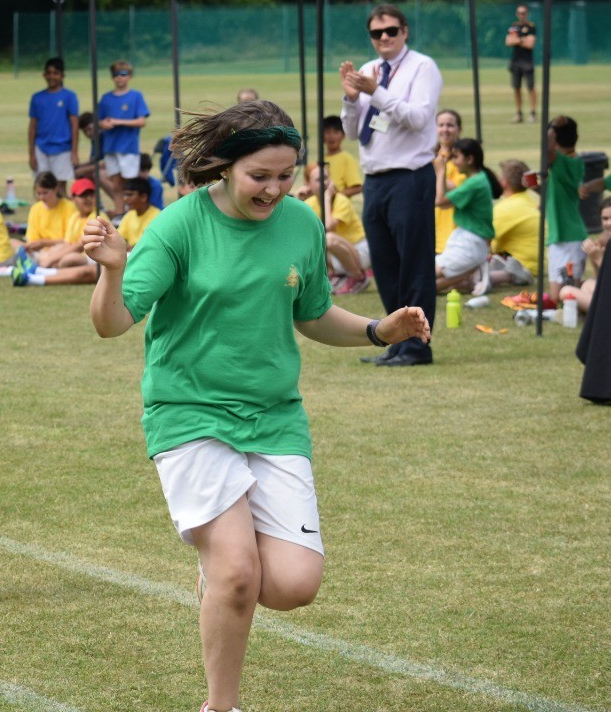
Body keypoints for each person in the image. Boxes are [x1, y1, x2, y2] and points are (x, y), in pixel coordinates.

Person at [82, 100, 430, 712]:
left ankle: (216, 572)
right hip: (188, 412)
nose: (274, 189)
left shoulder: (301, 223)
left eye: (286, 174)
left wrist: (380, 330)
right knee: (239, 574)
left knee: (295, 584)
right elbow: (112, 323)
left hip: (274, 415)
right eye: (259, 176)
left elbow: (313, 314)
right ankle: (221, 704)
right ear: (225, 167)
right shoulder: (178, 226)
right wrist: (112, 271)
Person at [340, 3, 442, 367]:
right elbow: (353, 132)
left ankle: (417, 346)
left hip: (410, 177)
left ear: (405, 31)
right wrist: (351, 98)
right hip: (376, 179)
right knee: (385, 265)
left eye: (391, 31)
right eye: (376, 32)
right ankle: (397, 342)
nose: (384, 37)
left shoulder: (422, 67)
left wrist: (377, 91)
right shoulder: (368, 70)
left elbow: (418, 118)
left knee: (413, 264)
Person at [10, 179, 105, 287]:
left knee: (70, 259)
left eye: (91, 195)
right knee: (15, 243)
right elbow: (68, 243)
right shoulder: (75, 217)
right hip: (69, 252)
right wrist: (50, 254)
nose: (88, 199)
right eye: (83, 196)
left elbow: (80, 245)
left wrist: (50, 257)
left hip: (92, 257)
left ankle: (35, 273)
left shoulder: (96, 216)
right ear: (73, 198)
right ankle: (36, 270)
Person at [434, 138, 494, 293]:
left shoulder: (474, 183)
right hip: (472, 243)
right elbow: (452, 191)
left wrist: (440, 172)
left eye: (456, 157)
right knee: (429, 285)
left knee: (425, 274)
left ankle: (473, 273)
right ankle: (472, 274)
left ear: (469, 159)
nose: (453, 162)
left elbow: (440, 201)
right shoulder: (478, 179)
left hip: (469, 244)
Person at [558, 196, 611, 314]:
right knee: (587, 285)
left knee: (565, 291)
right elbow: (602, 280)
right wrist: (593, 258)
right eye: (605, 218)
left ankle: (602, 314)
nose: (610, 223)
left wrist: (599, 258)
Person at [98, 60, 150, 216]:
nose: (119, 77)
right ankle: (120, 214)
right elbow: (99, 120)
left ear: (129, 76)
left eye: (123, 74)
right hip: (111, 146)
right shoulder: (106, 98)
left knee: (130, 184)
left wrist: (119, 121)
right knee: (116, 184)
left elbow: (141, 121)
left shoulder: (135, 96)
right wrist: (103, 123)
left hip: (128, 147)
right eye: (116, 74)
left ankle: (133, 214)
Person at [544, 116, 588, 299]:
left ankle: (592, 289)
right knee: (557, 296)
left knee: (567, 295)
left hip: (570, 236)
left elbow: (546, 150)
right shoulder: (562, 163)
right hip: (559, 235)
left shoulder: (569, 162)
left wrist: (552, 127)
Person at [305, 180, 370, 295]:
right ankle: (339, 275)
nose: (324, 182)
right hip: (338, 257)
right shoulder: (309, 203)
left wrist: (326, 200)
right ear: (308, 184)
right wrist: (298, 198)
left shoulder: (341, 200)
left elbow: (328, 227)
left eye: (326, 177)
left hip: (359, 252)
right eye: (318, 180)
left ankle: (358, 277)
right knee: (313, 241)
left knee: (328, 238)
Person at [487, 159, 539, 289]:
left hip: (521, 266)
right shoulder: (534, 197)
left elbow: (484, 238)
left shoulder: (505, 208)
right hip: (538, 264)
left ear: (504, 182)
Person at [28, 57, 79, 184]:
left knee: (60, 186)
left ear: (62, 76)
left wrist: (74, 152)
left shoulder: (69, 96)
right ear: (44, 75)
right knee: (42, 184)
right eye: (49, 73)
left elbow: (74, 125)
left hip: (62, 148)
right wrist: (31, 154)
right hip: (41, 147)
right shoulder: (37, 98)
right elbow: (33, 127)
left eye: (56, 73)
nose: (52, 77)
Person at [302, 115, 362, 200]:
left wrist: (334, 197)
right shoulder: (320, 160)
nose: (331, 136)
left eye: (336, 132)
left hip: (339, 206)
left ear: (343, 135)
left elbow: (357, 187)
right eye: (327, 132)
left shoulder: (347, 159)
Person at [20, 171, 77, 257]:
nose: (41, 197)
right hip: (40, 252)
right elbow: (32, 239)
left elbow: (70, 241)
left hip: (63, 250)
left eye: (45, 193)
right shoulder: (35, 208)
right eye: (39, 193)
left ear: (56, 189)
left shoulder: (69, 207)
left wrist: (44, 243)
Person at [431, 109, 465, 255]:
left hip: (454, 228)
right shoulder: (428, 155)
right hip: (430, 227)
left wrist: (438, 172)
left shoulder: (464, 159)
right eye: (441, 125)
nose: (445, 129)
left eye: (450, 125)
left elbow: (460, 190)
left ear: (459, 129)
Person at [505, 5, 537, 124]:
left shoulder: (531, 27)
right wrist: (523, 40)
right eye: (519, 13)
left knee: (530, 87)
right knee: (516, 87)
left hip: (527, 61)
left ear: (527, 14)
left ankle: (532, 113)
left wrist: (517, 40)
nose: (521, 15)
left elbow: (530, 44)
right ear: (517, 14)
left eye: (523, 13)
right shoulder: (514, 26)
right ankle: (519, 113)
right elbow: (508, 42)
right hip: (515, 61)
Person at [116, 177, 159, 249]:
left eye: (130, 195)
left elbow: (152, 245)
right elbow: (118, 238)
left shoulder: (157, 216)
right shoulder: (129, 215)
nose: (125, 199)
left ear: (143, 197)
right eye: (124, 195)